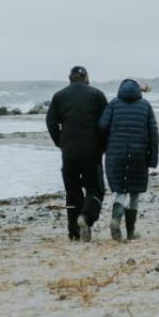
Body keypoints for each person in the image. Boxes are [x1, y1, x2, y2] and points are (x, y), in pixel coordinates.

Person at [45, 66, 108, 242]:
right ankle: (86, 218)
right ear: (86, 77)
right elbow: (106, 123)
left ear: (70, 78)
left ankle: (74, 232)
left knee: (72, 191)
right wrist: (102, 145)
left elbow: (50, 122)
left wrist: (60, 142)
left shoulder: (59, 96)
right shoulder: (97, 95)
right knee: (95, 188)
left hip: (69, 152)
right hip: (92, 151)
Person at [98, 78, 159, 242]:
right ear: (139, 90)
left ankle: (115, 220)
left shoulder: (113, 104)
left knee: (121, 190)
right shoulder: (145, 106)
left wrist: (106, 147)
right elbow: (154, 134)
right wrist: (152, 159)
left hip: (116, 154)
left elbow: (102, 126)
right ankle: (131, 232)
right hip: (138, 154)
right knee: (135, 192)